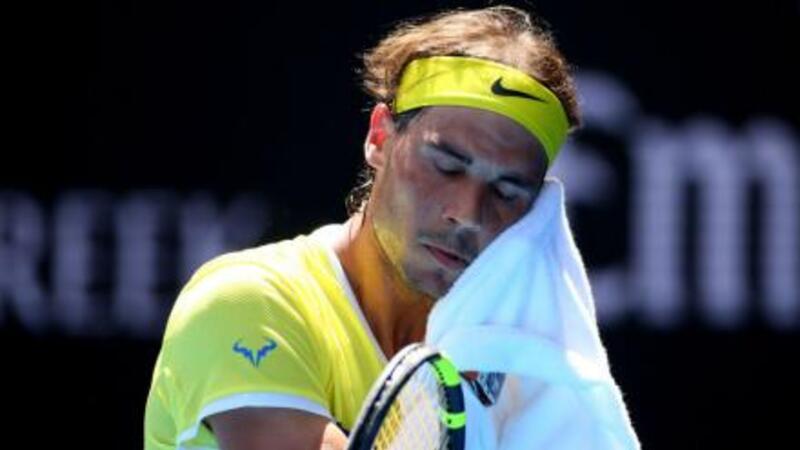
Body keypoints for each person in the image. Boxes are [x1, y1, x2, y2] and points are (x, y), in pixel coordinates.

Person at [144, 5, 580, 449]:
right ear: (380, 138)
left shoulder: (521, 376)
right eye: (447, 166)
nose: (467, 213)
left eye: (507, 191)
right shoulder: (248, 302)